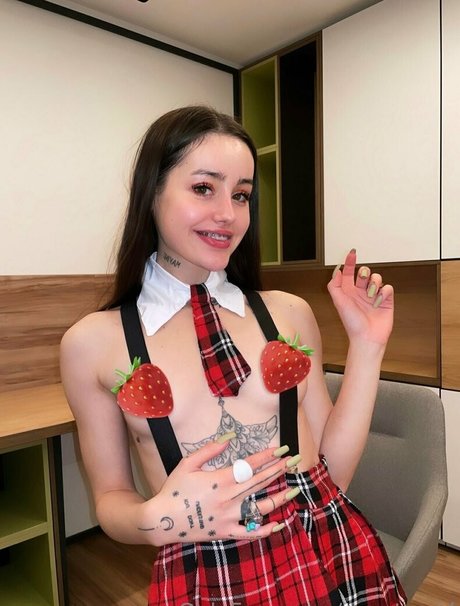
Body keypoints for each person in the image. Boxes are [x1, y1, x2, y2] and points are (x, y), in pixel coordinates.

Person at [60, 105, 406, 605]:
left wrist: (368, 346)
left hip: (326, 548)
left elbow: (334, 473)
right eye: (204, 188)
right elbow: (111, 499)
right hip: (210, 573)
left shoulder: (287, 312)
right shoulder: (92, 343)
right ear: (151, 193)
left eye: (241, 194)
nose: (228, 214)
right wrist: (159, 519)